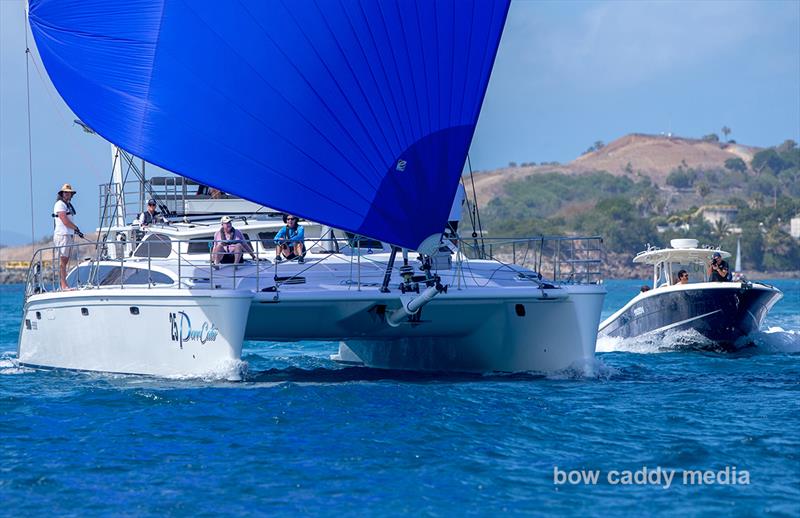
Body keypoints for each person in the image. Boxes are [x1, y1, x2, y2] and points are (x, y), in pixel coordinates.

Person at [52, 183, 83, 290]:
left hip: (68, 234)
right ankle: (63, 285)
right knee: (63, 261)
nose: (68, 194)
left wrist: (75, 230)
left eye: (69, 193)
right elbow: (64, 220)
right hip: (62, 235)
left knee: (65, 260)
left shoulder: (67, 204)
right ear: (62, 194)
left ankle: (65, 284)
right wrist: (76, 228)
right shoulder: (60, 204)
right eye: (66, 192)